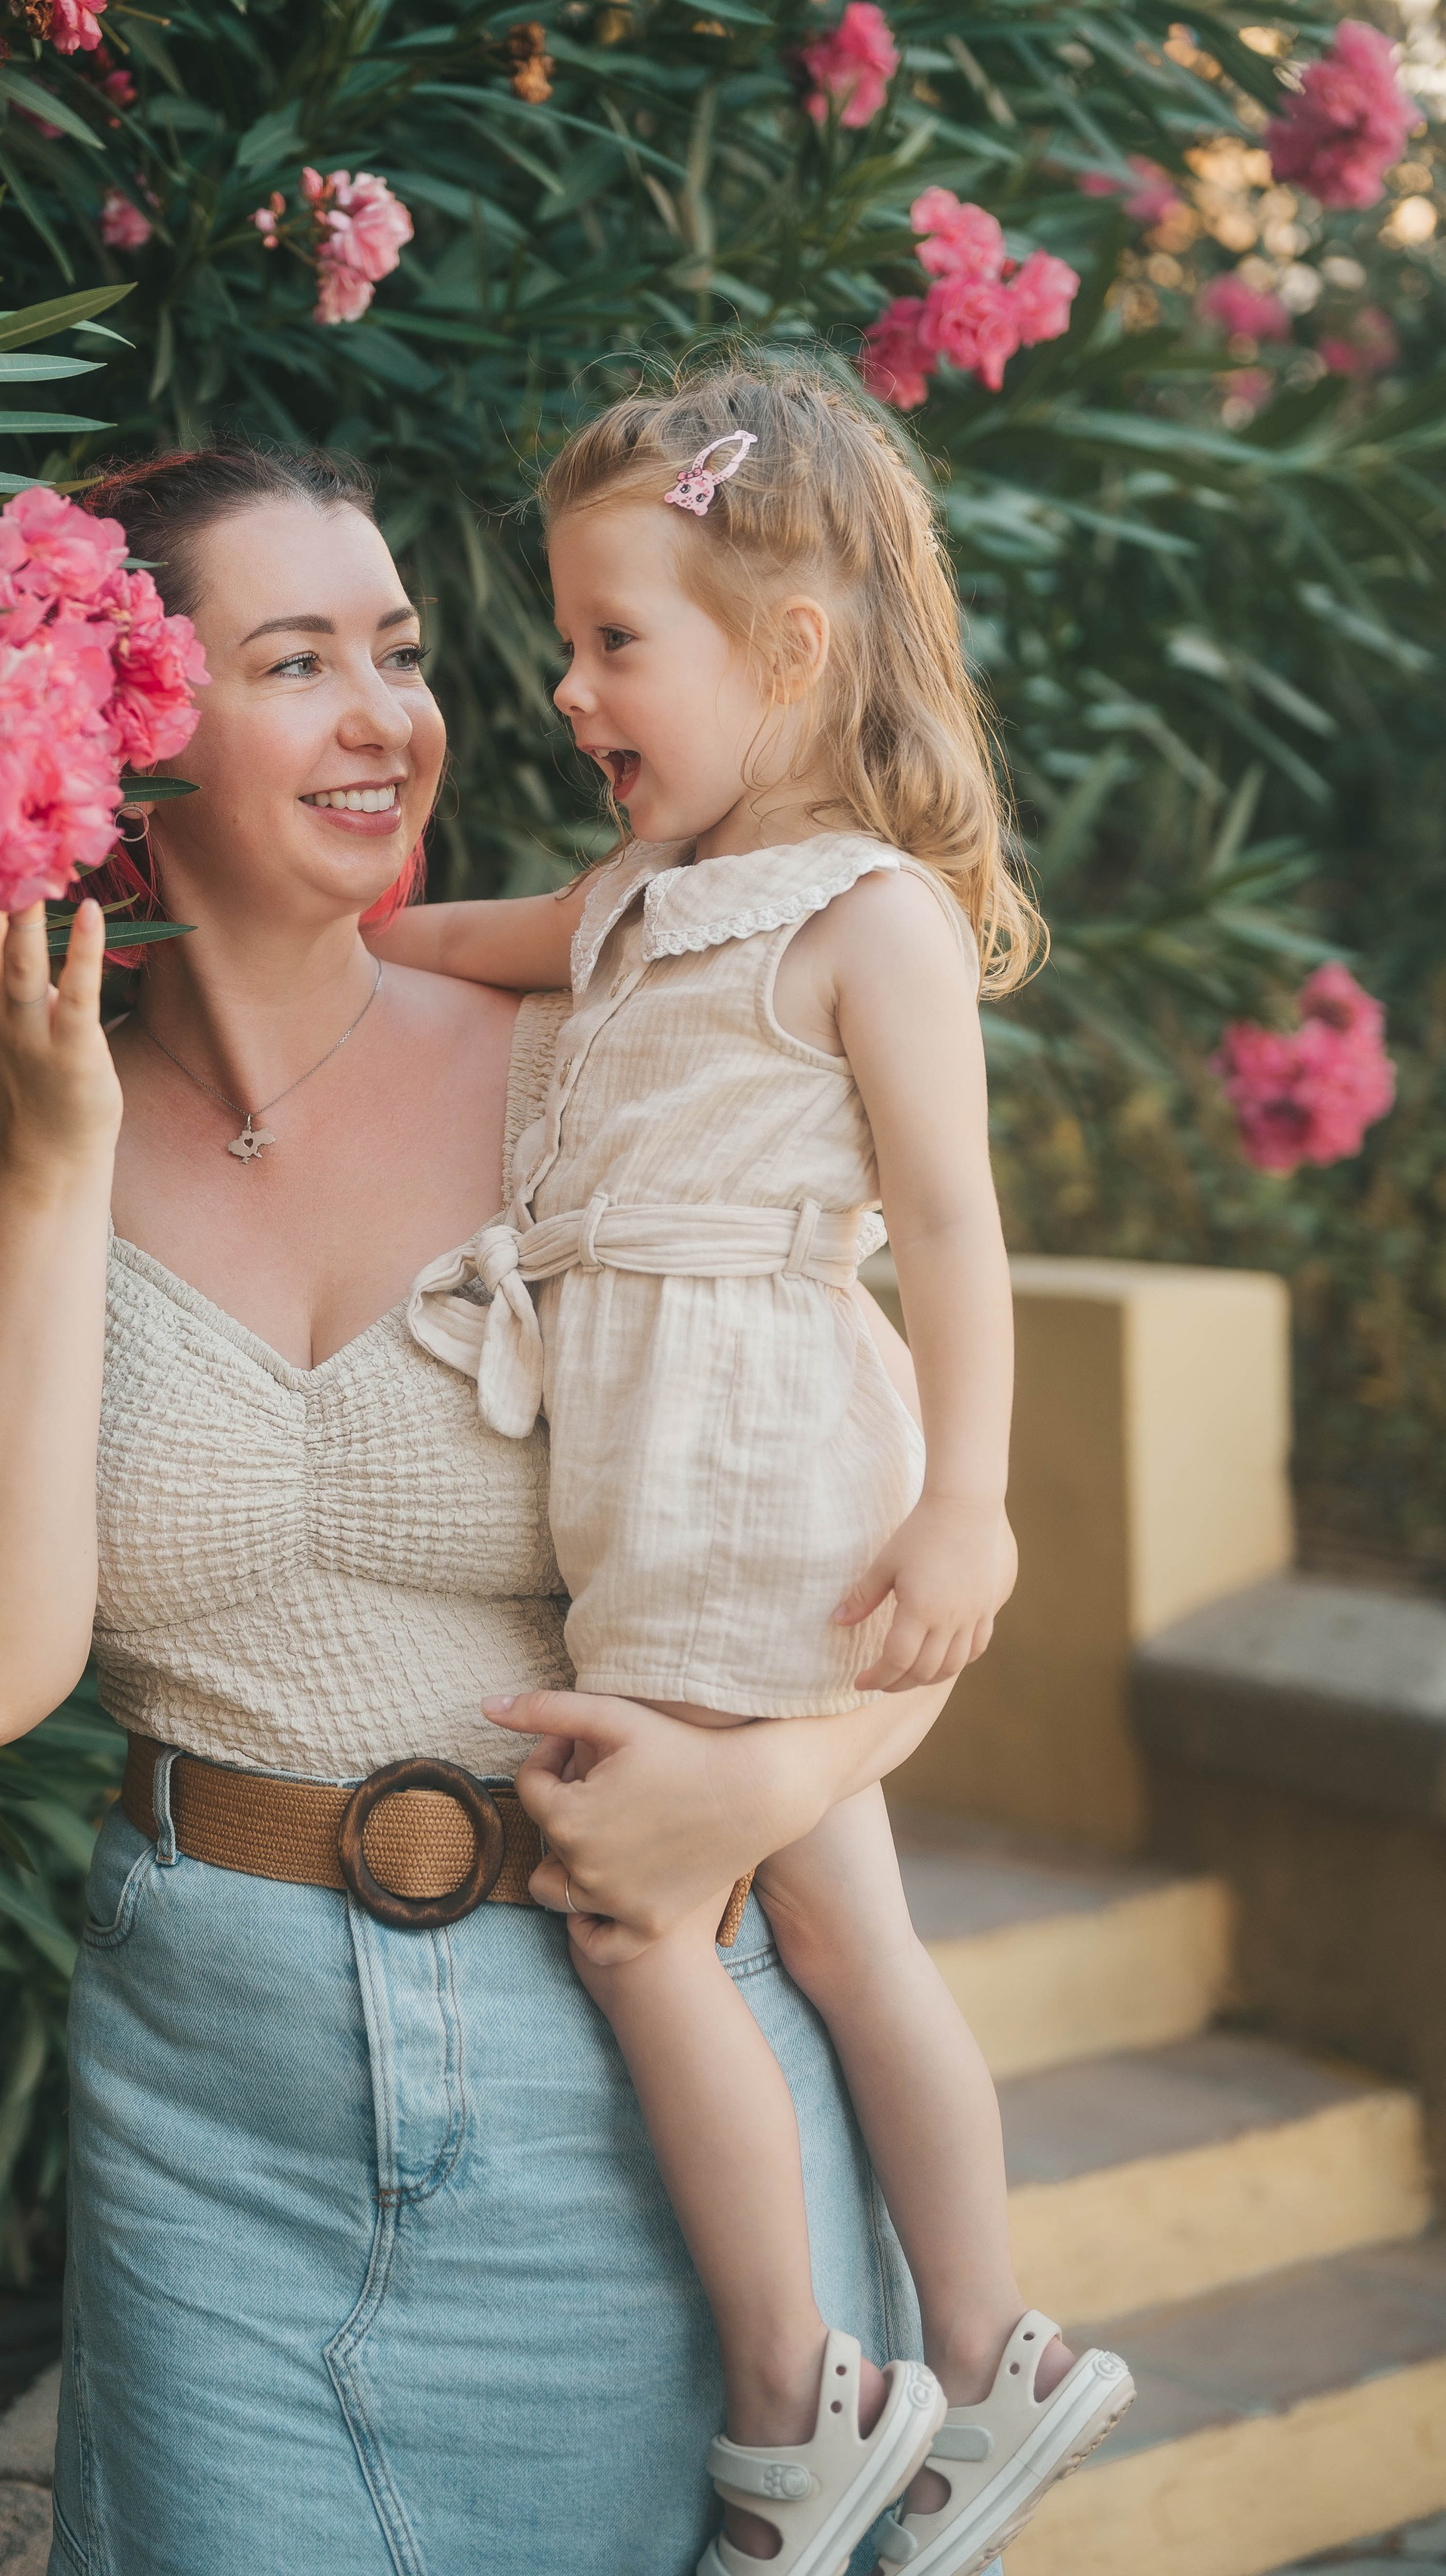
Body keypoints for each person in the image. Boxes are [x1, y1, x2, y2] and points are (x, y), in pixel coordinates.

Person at [0, 442, 955, 2576]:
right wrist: (59, 1157)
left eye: (405, 650)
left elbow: (895, 1546)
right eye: (300, 662)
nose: (397, 717)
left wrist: (784, 1776)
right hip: (219, 2125)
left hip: (647, 2096)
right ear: (119, 749)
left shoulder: (608, 1063)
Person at [384, 358, 1136, 2576]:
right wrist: (270, 936)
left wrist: (968, 1498)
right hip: (667, 1478)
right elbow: (435, 943)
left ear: (789, 652)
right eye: (571, 635)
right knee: (846, 1920)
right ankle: (992, 2348)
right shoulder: (637, 896)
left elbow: (960, 1224)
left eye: (620, 640)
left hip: (761, 1460)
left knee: (634, 1912)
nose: (567, 680)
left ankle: (803, 2402)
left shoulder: (864, 914)